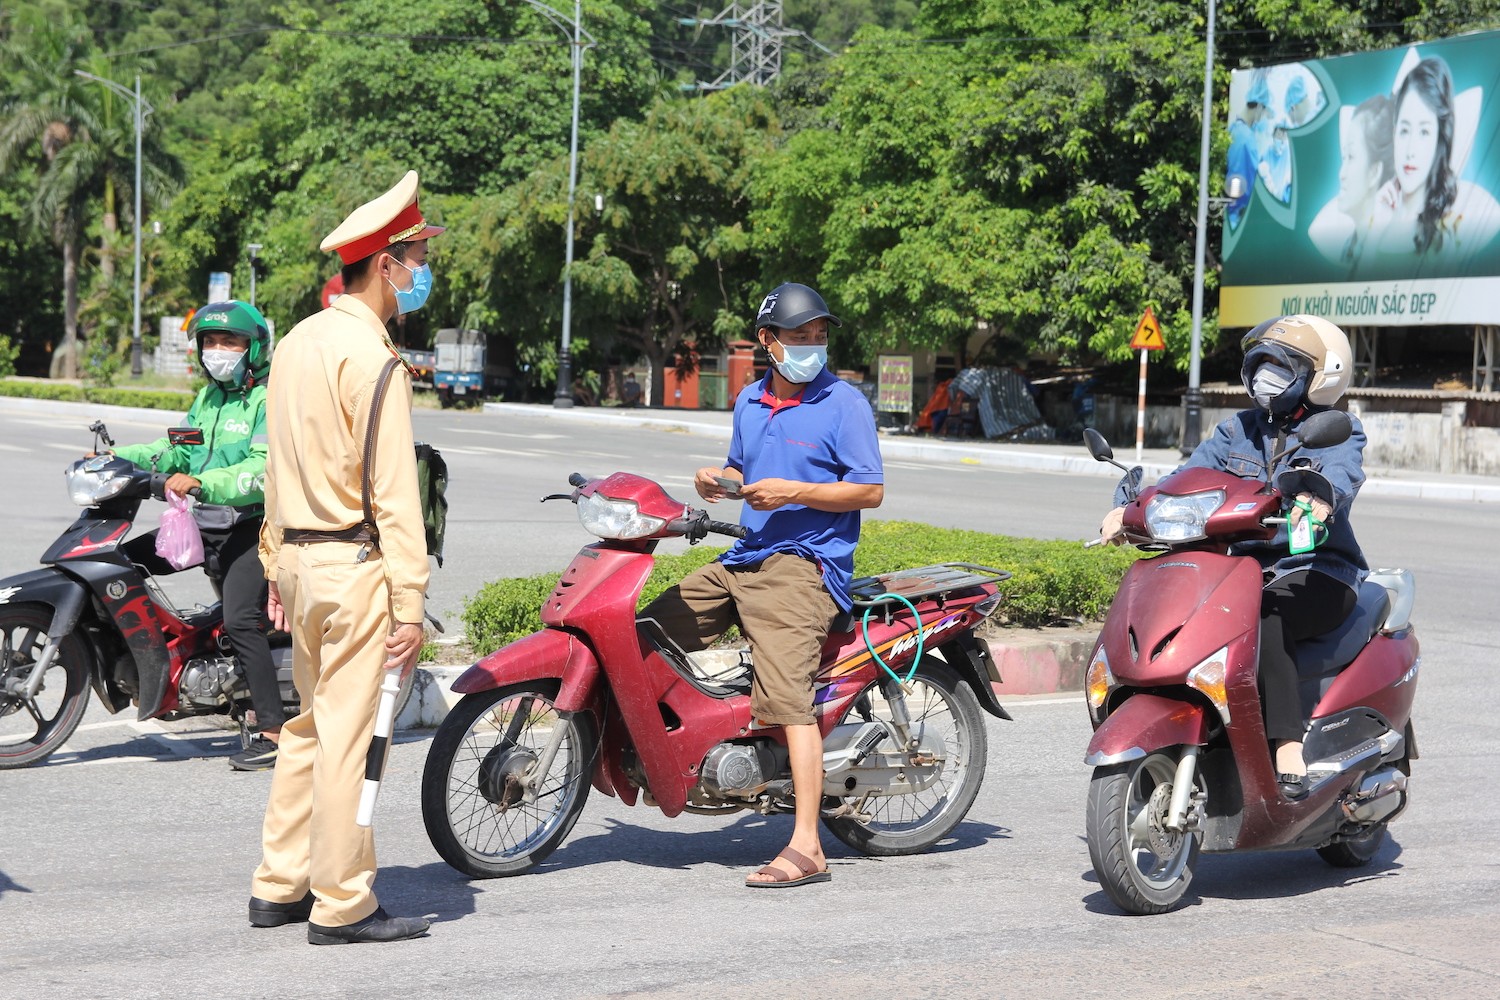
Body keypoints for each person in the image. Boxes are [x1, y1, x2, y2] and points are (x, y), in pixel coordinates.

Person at [249, 170, 439, 944]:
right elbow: (397, 497)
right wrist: (411, 603)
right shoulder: (376, 361)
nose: (426, 269)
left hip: (296, 561)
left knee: (305, 729)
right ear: (388, 263)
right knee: (349, 740)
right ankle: (343, 903)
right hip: (354, 569)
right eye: (420, 254)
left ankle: (279, 884)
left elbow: (276, 466)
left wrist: (273, 564)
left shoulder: (296, 341)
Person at [642, 282, 884, 888]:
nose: (813, 347)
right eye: (800, 337)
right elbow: (738, 467)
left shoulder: (843, 403)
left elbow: (870, 490)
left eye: (820, 335)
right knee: (647, 630)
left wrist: (794, 492)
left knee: (785, 699)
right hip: (746, 556)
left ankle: (808, 847)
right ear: (768, 342)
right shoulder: (750, 400)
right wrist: (714, 479)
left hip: (804, 567)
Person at [1099, 315, 1368, 800]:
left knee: (1262, 618)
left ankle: (1288, 744)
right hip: (1238, 570)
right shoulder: (1235, 431)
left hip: (1315, 571)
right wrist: (1133, 509)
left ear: (1318, 377)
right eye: (1260, 365)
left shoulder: (1337, 430)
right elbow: (1186, 479)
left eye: (1279, 367)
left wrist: (1317, 501)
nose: (1266, 377)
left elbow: (1341, 473)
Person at [102, 301, 280, 771]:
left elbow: (262, 471)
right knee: (121, 564)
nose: (218, 350)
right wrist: (122, 458)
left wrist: (205, 483)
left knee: (242, 620)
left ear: (254, 347)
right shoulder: (207, 400)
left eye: (230, 341)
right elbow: (175, 450)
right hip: (207, 523)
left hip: (252, 528)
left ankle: (272, 731)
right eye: (211, 342)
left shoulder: (266, 400)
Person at [1373, 56, 1500, 257]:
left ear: (1439, 140)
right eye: (1404, 131)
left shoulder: (1455, 220)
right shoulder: (1377, 213)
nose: (1410, 150)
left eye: (1424, 132)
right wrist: (1378, 224)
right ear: (1394, 133)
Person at [1309, 94, 1395, 271]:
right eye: (1343, 157)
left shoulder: (1393, 247)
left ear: (1374, 172)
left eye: (1351, 157)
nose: (1342, 174)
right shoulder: (1350, 246)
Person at [1226, 75, 1272, 227]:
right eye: (1264, 111)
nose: (1263, 117)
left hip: (1232, 210)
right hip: (1241, 214)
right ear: (1259, 107)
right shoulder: (1247, 138)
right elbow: (1254, 180)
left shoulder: (1232, 130)